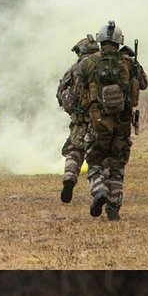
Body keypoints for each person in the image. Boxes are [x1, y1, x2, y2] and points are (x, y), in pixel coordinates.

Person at [73, 21, 148, 220]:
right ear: (119, 41)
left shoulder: (89, 63)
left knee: (94, 161)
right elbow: (143, 84)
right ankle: (113, 210)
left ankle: (99, 191)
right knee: (117, 165)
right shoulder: (129, 62)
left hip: (98, 122)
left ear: (100, 40)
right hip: (122, 123)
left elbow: (78, 90)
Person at [56, 34, 100, 203]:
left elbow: (61, 93)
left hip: (79, 120)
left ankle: (69, 177)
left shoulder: (74, 69)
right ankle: (99, 190)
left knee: (74, 151)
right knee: (98, 156)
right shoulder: (103, 66)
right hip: (101, 120)